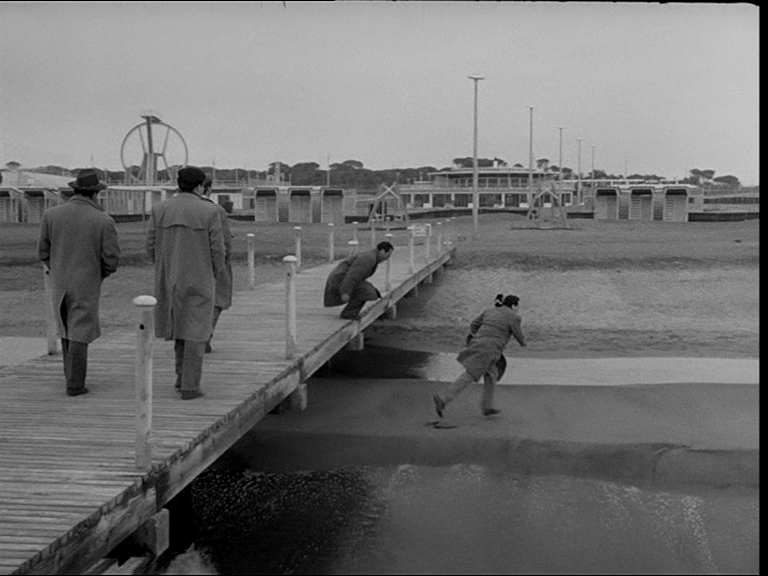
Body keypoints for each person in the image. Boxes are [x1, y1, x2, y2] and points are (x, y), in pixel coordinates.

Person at [38, 168, 120, 396]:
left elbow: (43, 251)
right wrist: (100, 273)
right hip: (87, 282)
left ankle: (70, 375)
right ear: (95, 194)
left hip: (60, 280)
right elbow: (111, 258)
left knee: (66, 328)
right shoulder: (103, 220)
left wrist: (58, 268)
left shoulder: (51, 215)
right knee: (80, 332)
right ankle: (75, 383)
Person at [146, 166, 224, 400]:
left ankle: (181, 376)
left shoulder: (160, 209)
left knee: (177, 326)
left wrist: (162, 266)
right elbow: (217, 250)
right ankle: (190, 385)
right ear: (200, 186)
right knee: (197, 330)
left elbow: (150, 245)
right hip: (199, 276)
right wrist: (214, 272)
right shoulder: (210, 211)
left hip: (168, 276)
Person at [433, 293, 526, 419]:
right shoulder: (514, 317)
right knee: (470, 375)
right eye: (518, 305)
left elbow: (474, 324)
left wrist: (477, 336)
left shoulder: (489, 310)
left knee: (492, 375)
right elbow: (518, 335)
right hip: (489, 351)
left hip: (479, 345)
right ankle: (443, 400)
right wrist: (524, 344)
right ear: (513, 305)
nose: (519, 308)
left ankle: (487, 407)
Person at [201, 176, 233, 353]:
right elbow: (224, 242)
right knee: (217, 300)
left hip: (186, 263)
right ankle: (205, 335)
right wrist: (224, 262)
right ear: (207, 188)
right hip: (213, 262)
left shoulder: (169, 208)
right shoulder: (216, 210)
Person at [323, 241, 394, 320]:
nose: (387, 259)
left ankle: (351, 312)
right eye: (387, 255)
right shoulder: (369, 258)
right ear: (382, 251)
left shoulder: (372, 257)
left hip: (342, 278)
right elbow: (352, 275)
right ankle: (349, 313)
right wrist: (345, 292)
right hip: (339, 279)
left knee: (372, 291)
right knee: (368, 292)